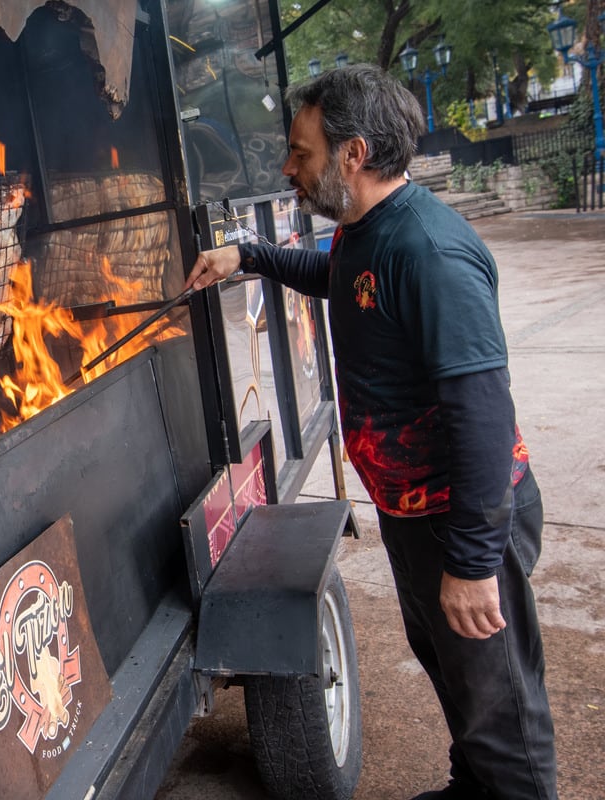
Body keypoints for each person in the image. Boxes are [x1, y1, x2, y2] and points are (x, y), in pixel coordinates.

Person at [185, 65, 556, 800]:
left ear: (353, 155)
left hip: (464, 518)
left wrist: (475, 563)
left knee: (502, 708)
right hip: (414, 513)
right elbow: (337, 280)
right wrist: (250, 256)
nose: (288, 169)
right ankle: (473, 787)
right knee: (452, 672)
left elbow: (483, 414)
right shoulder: (365, 233)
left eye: (302, 153)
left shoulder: (429, 252)